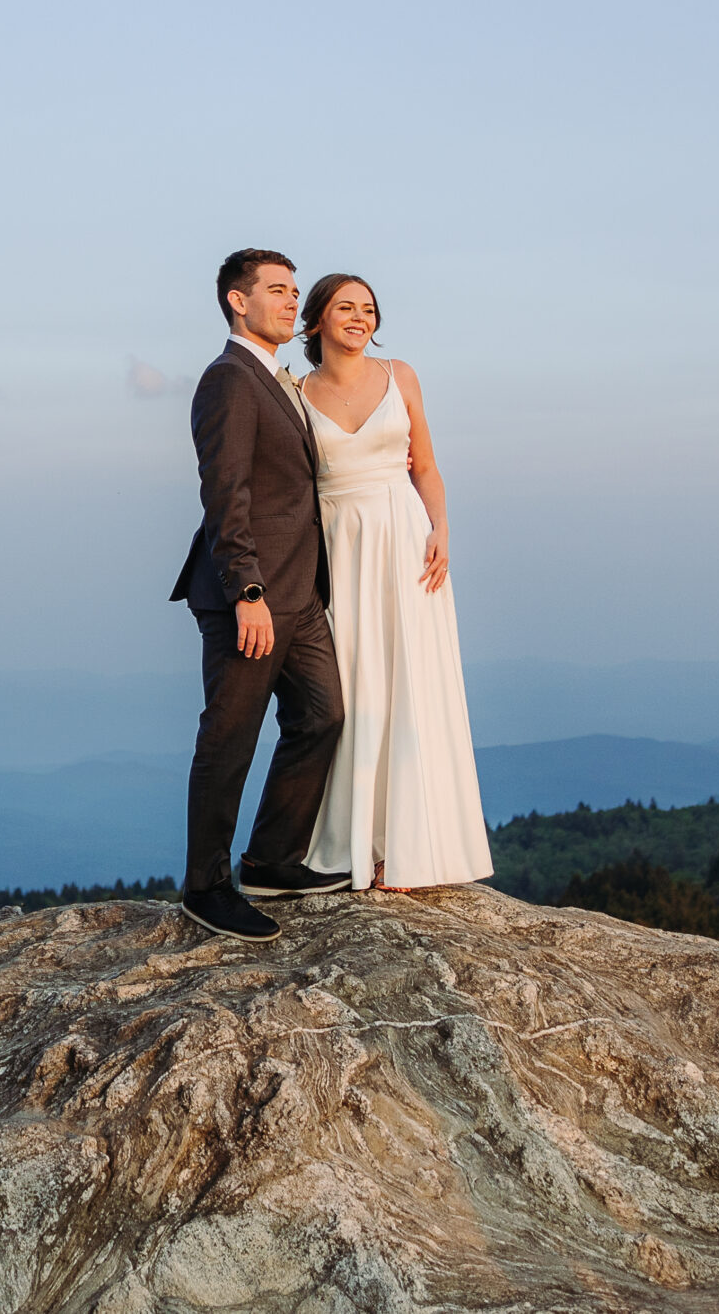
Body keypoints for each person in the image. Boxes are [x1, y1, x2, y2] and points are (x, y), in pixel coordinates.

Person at [169, 250, 354, 942]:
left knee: (323, 715)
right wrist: (246, 588)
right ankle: (206, 885)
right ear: (236, 302)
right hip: (249, 595)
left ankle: (274, 859)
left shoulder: (278, 380)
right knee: (230, 737)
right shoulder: (228, 380)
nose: (290, 301)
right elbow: (226, 493)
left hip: (299, 594)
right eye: (276, 290)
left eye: (295, 291)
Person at [292, 272, 492, 891]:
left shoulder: (400, 375)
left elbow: (426, 466)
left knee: (411, 684)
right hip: (341, 549)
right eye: (346, 308)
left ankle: (409, 848)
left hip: (407, 546)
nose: (360, 318)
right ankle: (358, 844)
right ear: (318, 319)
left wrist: (441, 531)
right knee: (354, 690)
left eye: (370, 309)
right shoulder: (294, 393)